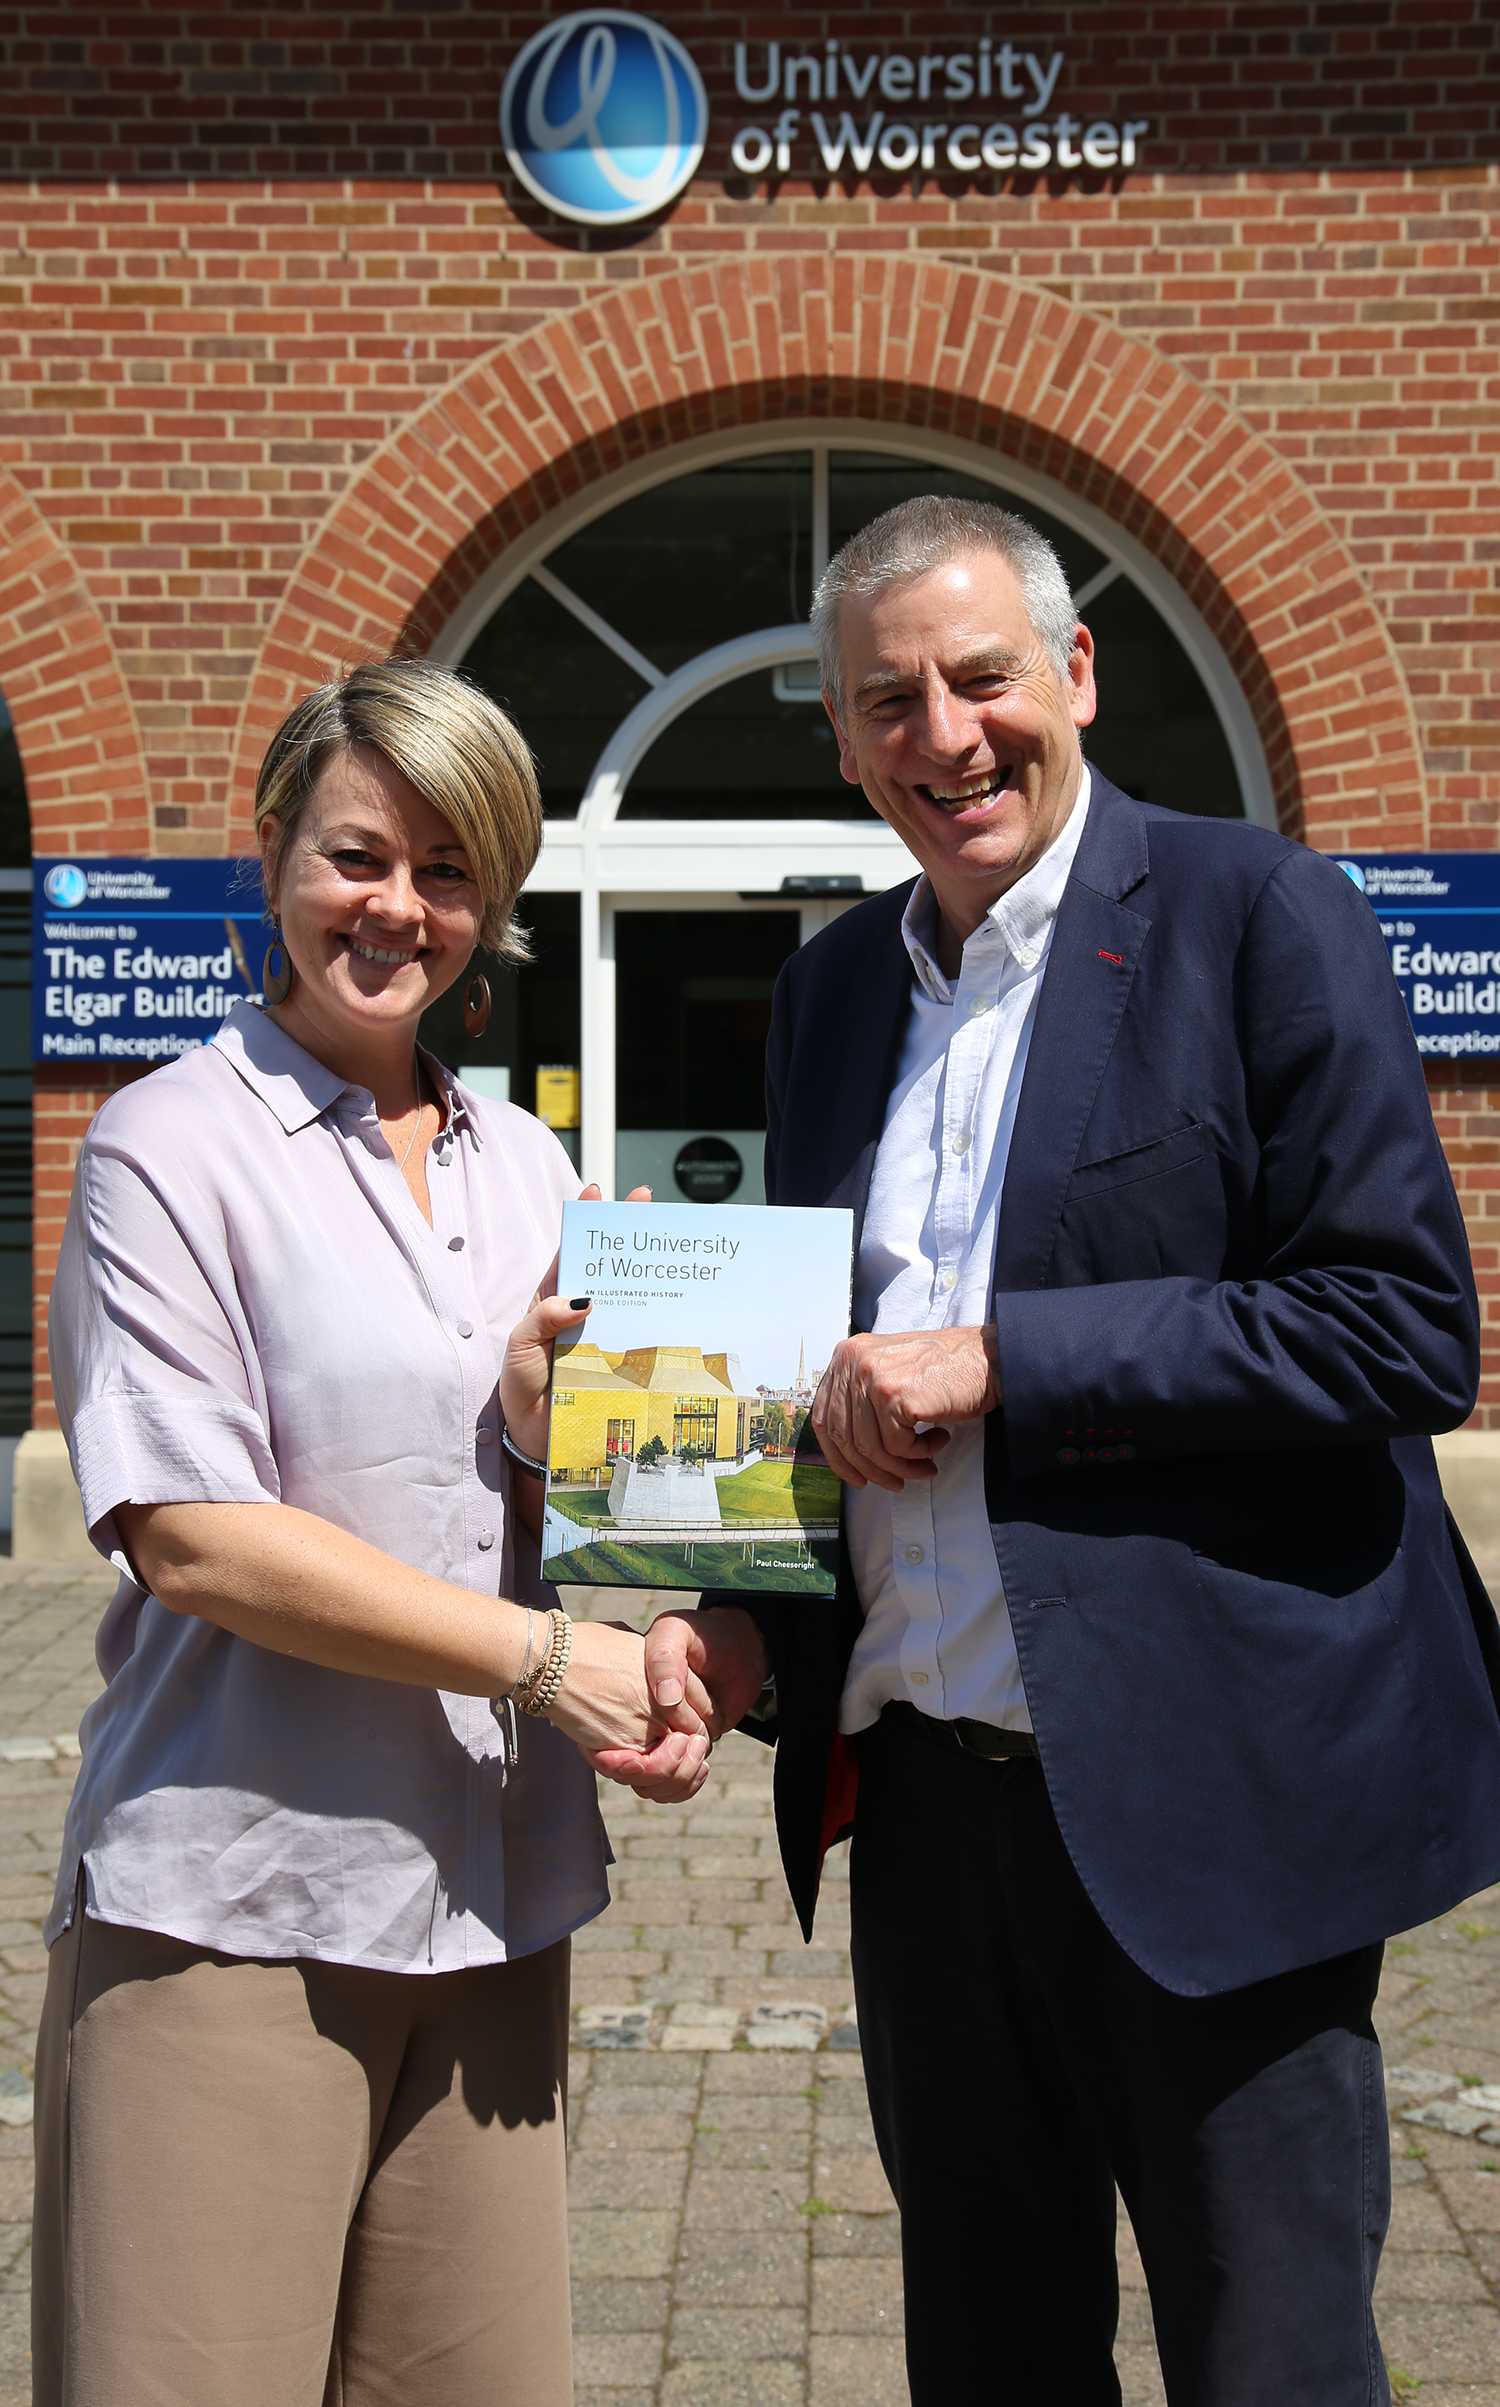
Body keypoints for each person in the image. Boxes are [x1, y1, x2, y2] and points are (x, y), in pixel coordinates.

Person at [601, 497, 1500, 2404]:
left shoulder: (1260, 916)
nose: (946, 736)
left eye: (981, 677)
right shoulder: (834, 991)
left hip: (1211, 1804)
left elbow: (1401, 1325)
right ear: (846, 744)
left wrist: (1010, 1358)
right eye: (889, 701)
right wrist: (737, 1619)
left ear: (1075, 674)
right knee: (991, 2361)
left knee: (1270, 2367)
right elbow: (825, 1389)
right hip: (930, 1816)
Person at [33, 658, 716, 2407]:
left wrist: (569, 1444)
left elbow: (562, 1497)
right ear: (275, 847)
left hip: (490, 1907)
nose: (398, 906)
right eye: (357, 855)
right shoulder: (166, 1149)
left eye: (448, 868)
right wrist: (548, 1661)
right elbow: (192, 1535)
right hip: (235, 1909)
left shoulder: (531, 1167)